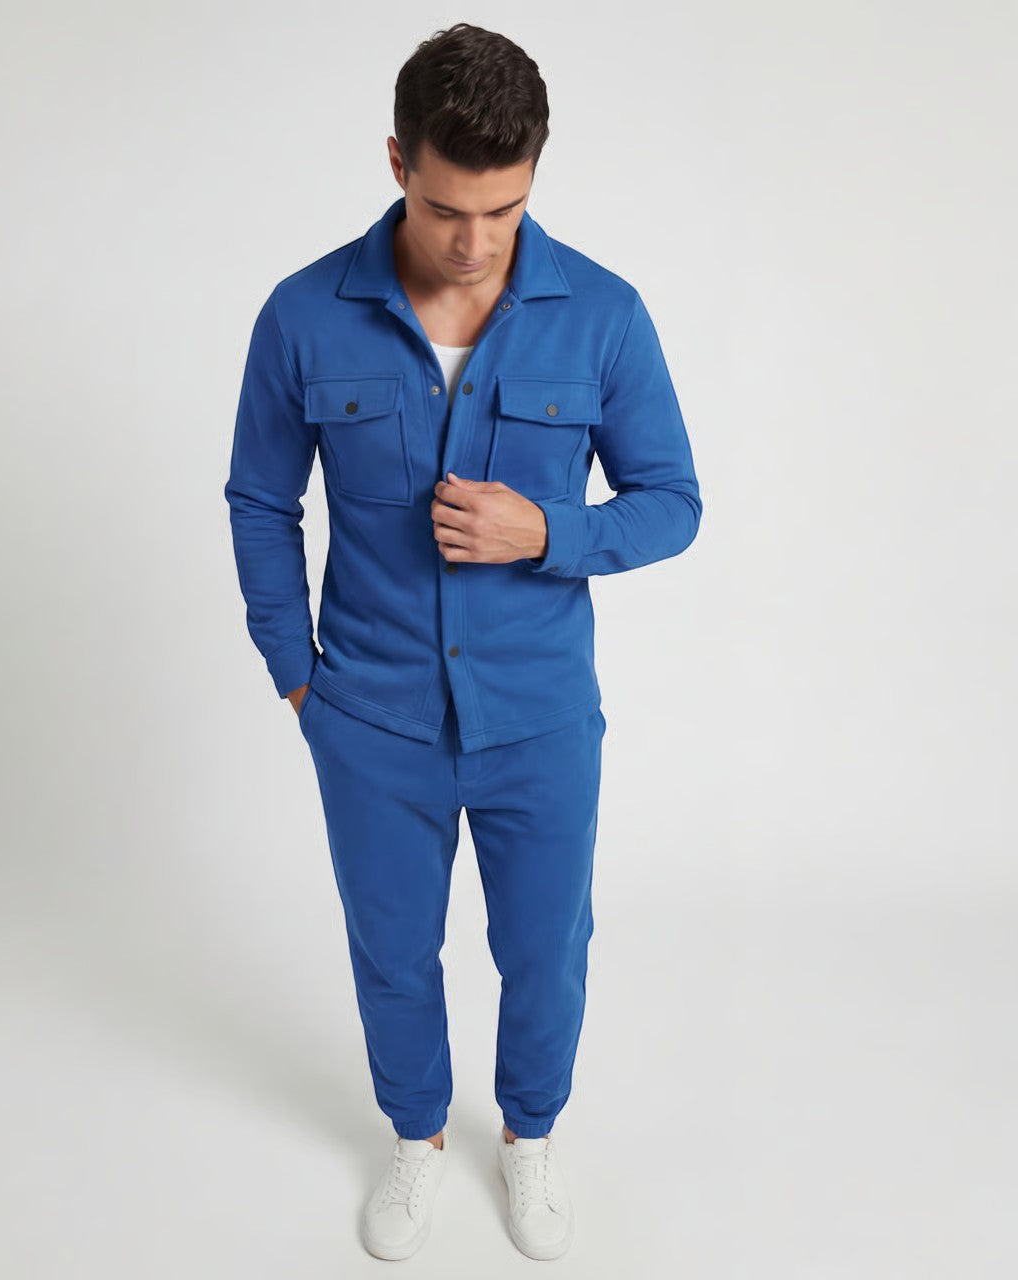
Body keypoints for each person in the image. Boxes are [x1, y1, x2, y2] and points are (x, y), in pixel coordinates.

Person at [224, 21, 702, 1262]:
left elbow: (671, 501)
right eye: (446, 208)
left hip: (539, 716)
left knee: (544, 950)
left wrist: (545, 529)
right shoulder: (301, 315)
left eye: (504, 209)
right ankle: (416, 1135)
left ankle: (528, 1136)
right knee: (391, 951)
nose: (474, 243)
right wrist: (295, 676)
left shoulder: (601, 315)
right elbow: (258, 500)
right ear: (397, 161)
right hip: (368, 716)